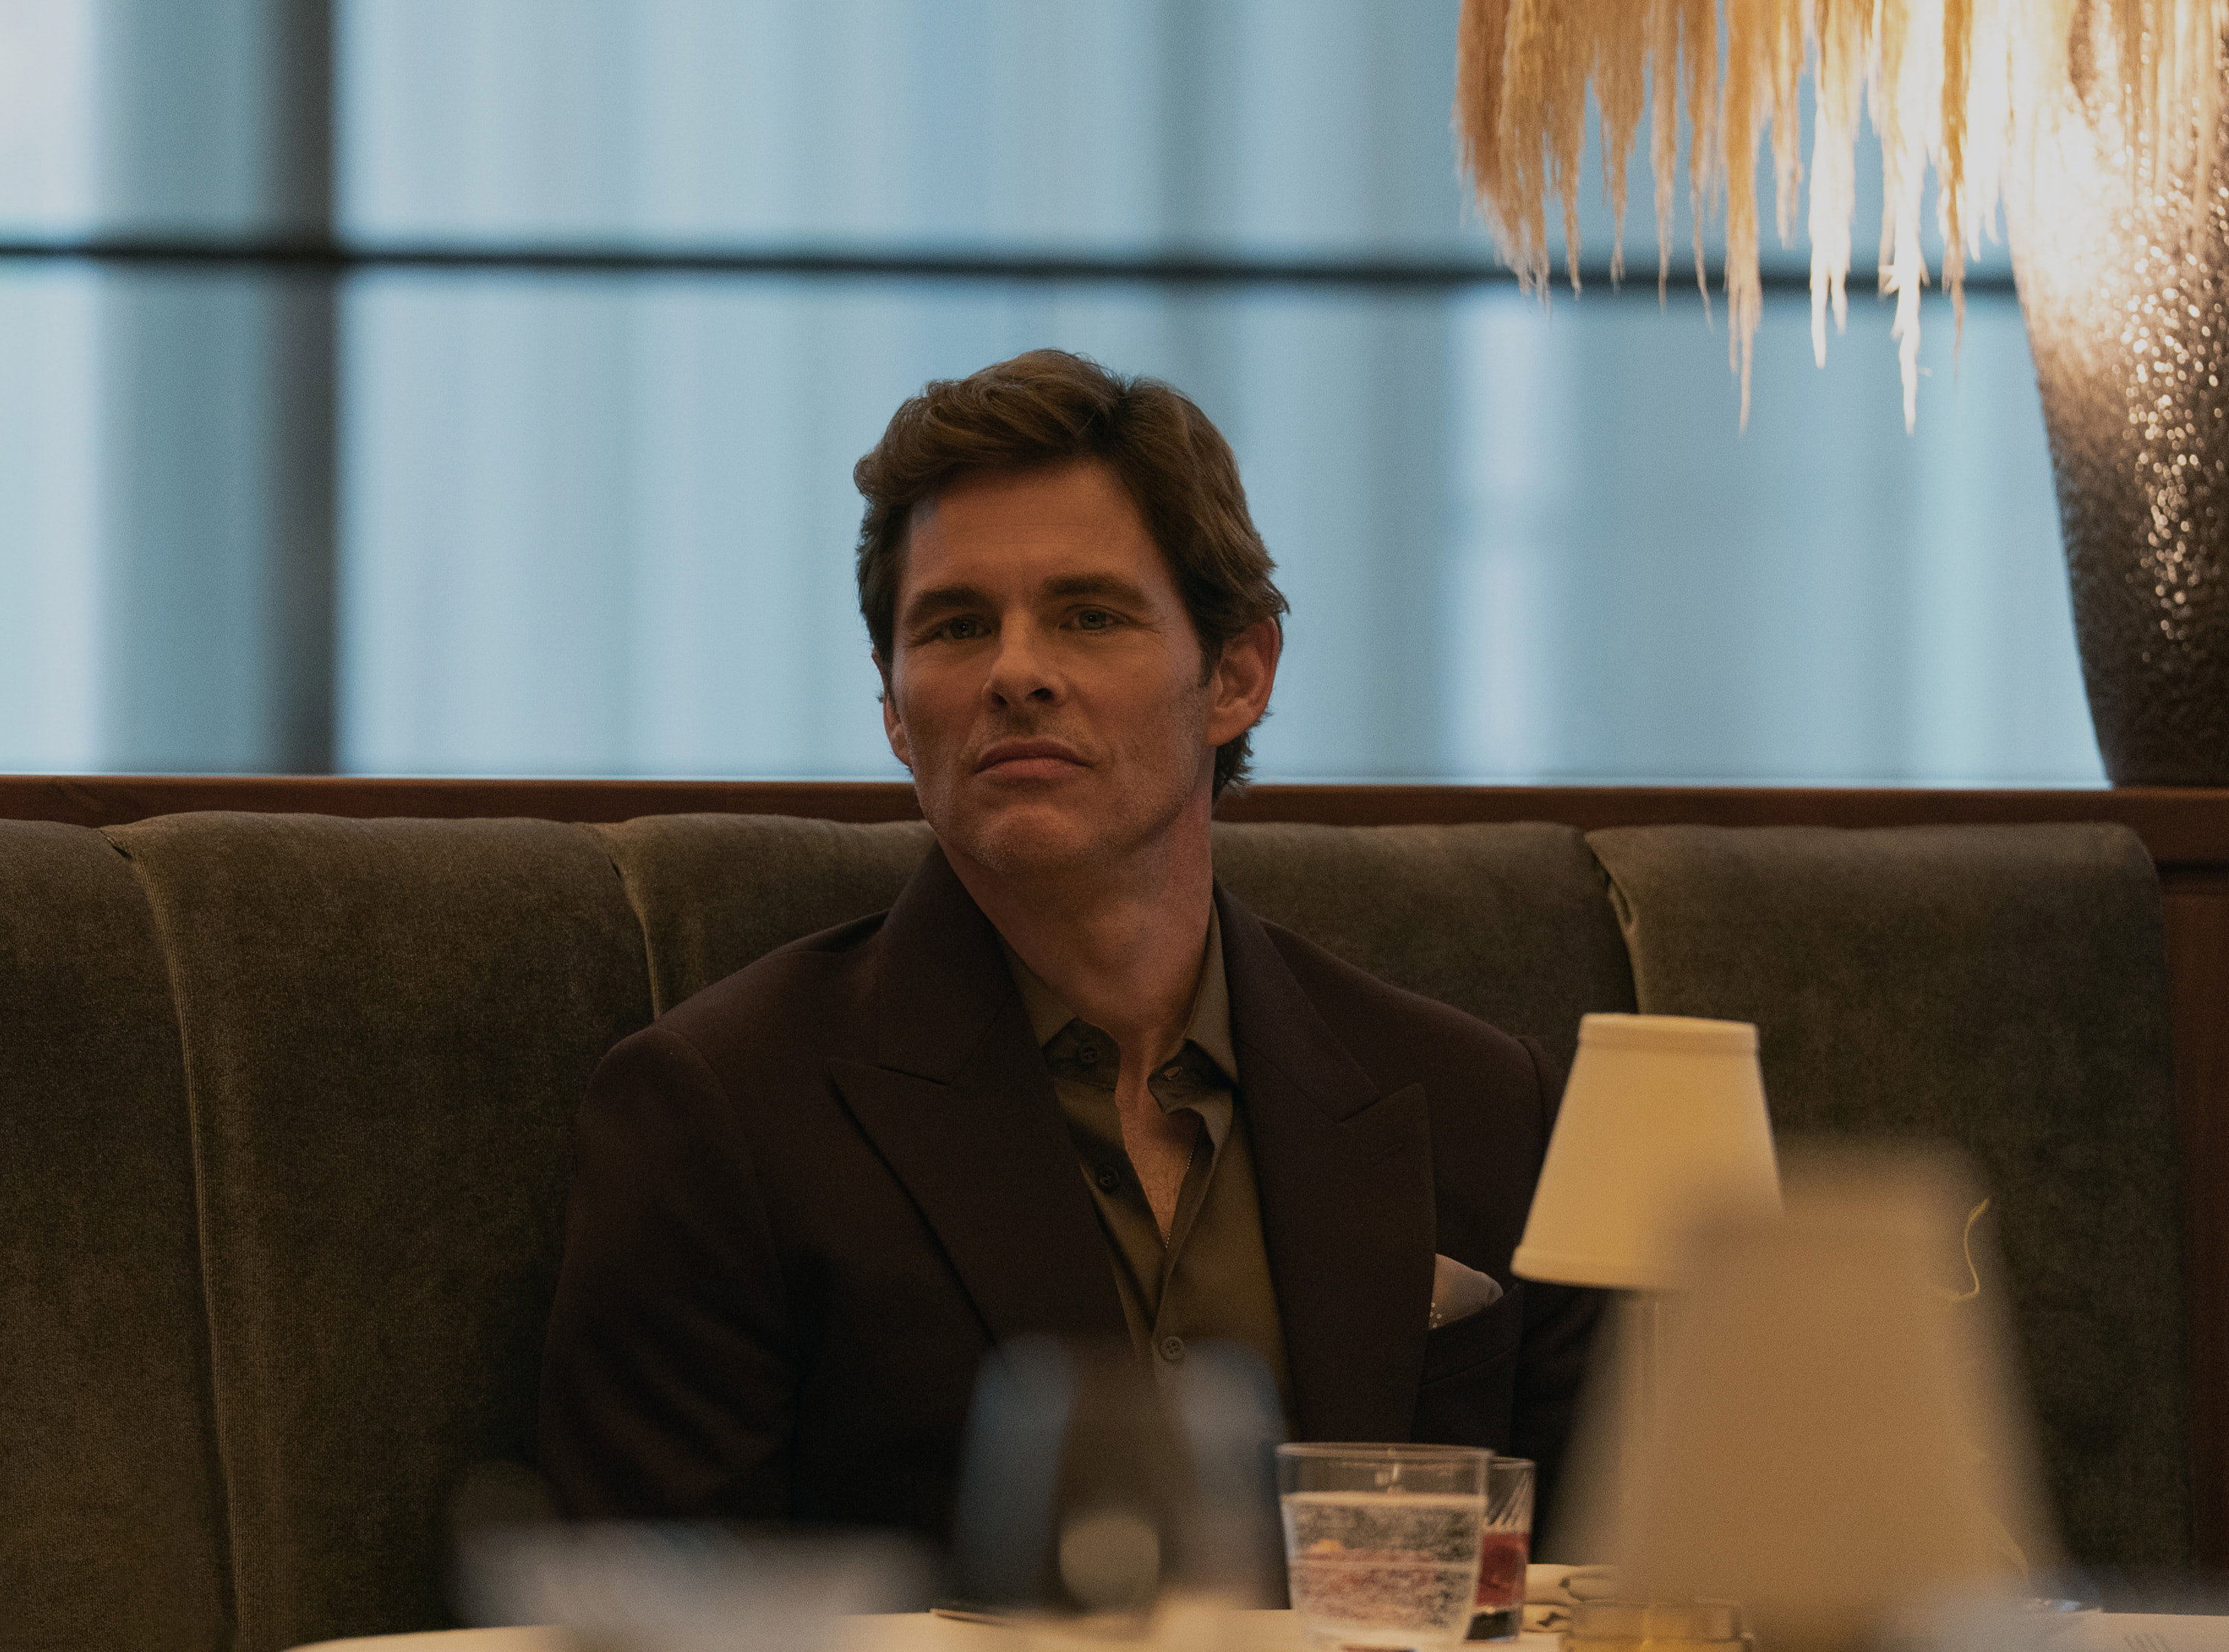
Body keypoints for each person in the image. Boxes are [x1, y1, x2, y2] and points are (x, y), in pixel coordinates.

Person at [538, 349, 1601, 1543]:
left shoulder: (1479, 1106)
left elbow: (1597, 1585)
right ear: (894, 709)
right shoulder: (719, 1115)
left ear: (1236, 675)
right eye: (956, 626)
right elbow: (650, 1612)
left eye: (1089, 615)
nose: (1017, 673)